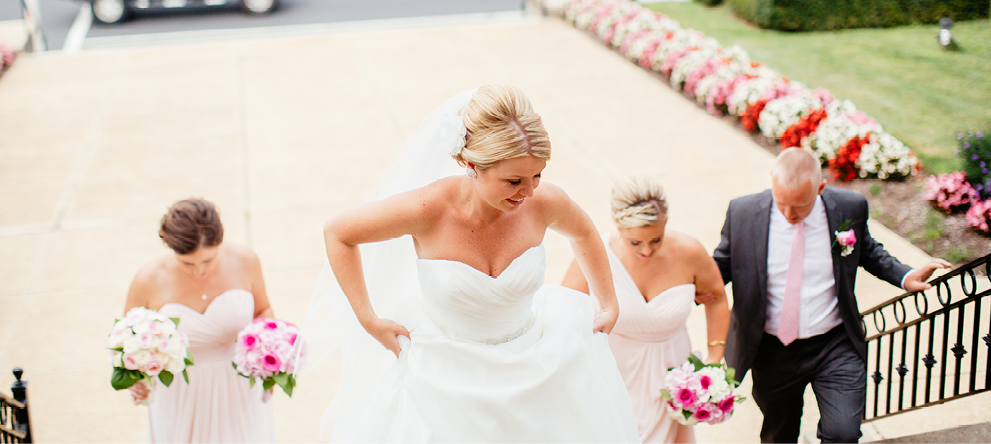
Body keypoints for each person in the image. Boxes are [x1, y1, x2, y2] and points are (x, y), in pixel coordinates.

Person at [305, 85, 639, 442]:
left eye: (537, 176)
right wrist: (367, 317)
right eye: (514, 181)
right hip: (446, 377)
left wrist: (608, 301)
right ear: (471, 165)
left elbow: (585, 232)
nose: (528, 192)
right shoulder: (427, 210)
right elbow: (338, 233)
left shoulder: (542, 202)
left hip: (535, 367)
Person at [713, 147, 950, 443]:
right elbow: (719, 266)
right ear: (771, 180)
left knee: (843, 433)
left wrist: (904, 275)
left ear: (821, 189)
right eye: (781, 203)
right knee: (778, 434)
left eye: (800, 207)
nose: (788, 215)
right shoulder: (743, 212)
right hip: (772, 350)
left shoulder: (848, 208)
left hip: (834, 344)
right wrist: (685, 288)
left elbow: (868, 250)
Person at [562, 175, 730, 443]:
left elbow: (717, 298)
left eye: (656, 239)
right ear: (618, 227)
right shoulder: (594, 253)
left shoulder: (690, 252)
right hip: (615, 373)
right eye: (635, 242)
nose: (647, 250)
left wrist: (714, 356)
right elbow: (565, 308)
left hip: (672, 375)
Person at [124, 198, 275, 443]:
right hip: (179, 394)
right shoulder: (147, 279)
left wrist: (269, 359)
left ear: (220, 242)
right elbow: (127, 340)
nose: (199, 270)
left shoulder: (246, 261)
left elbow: (263, 309)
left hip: (238, 387)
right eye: (187, 263)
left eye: (207, 260)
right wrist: (136, 377)